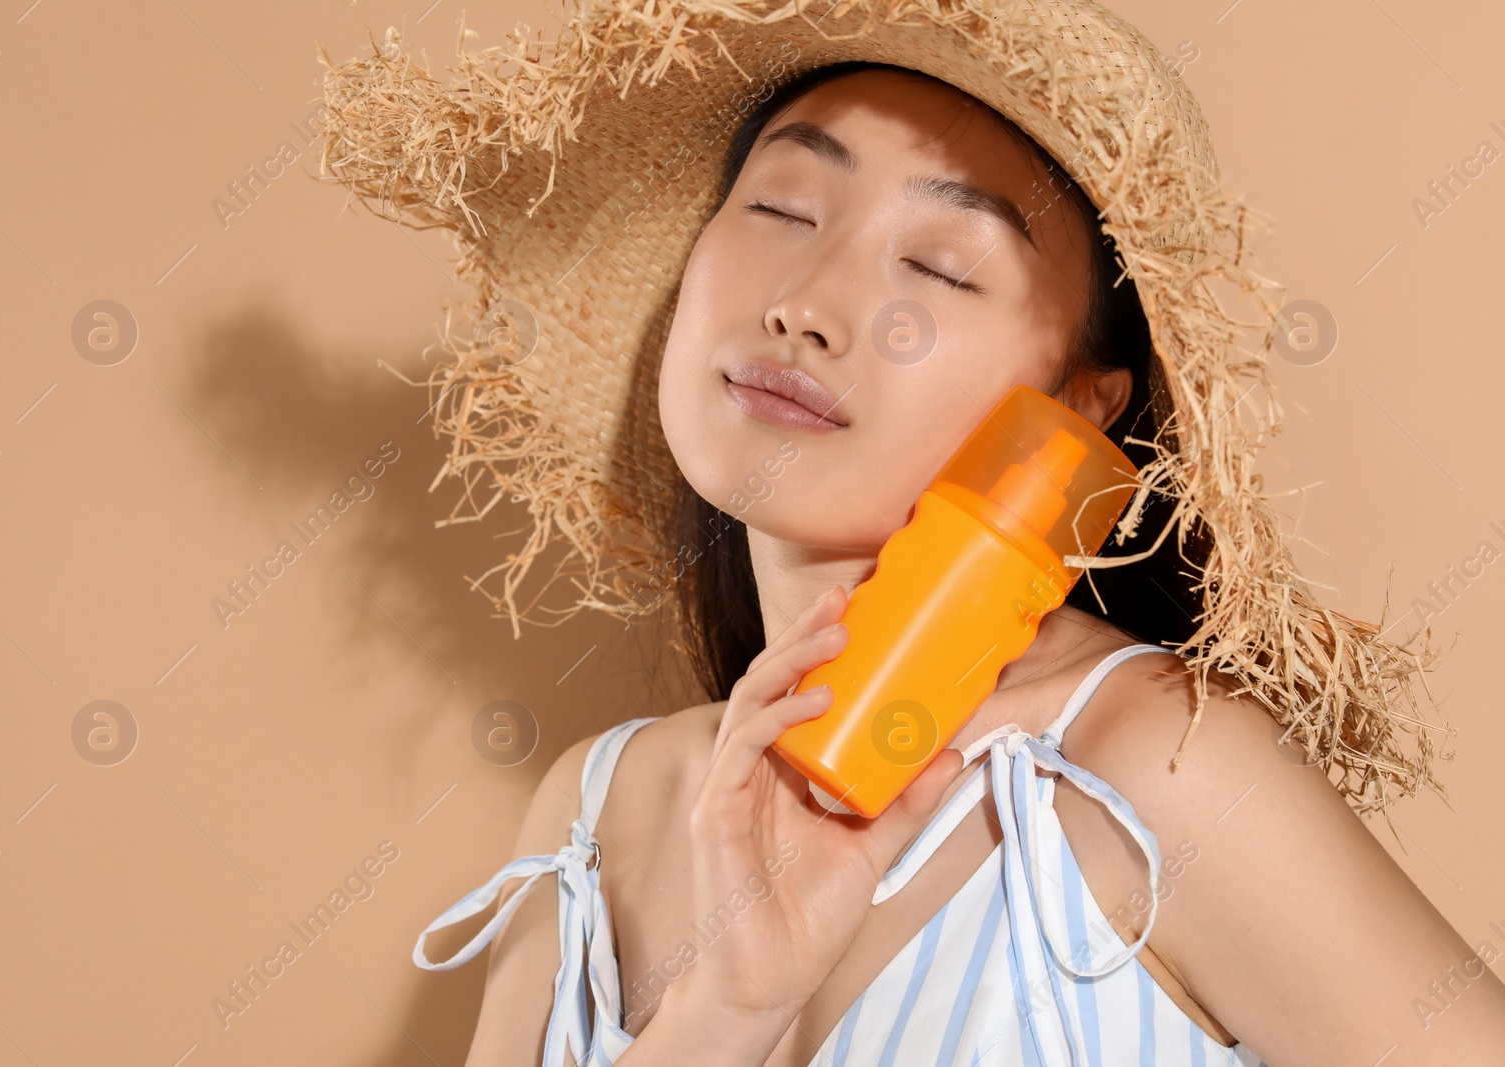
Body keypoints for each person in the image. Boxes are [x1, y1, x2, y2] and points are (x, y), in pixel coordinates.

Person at [314, 3, 1505, 1064]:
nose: (809, 304)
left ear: (1081, 409)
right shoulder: (596, 807)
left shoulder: (1159, 768)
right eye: (781, 207)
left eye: (938, 264)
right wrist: (721, 1012)